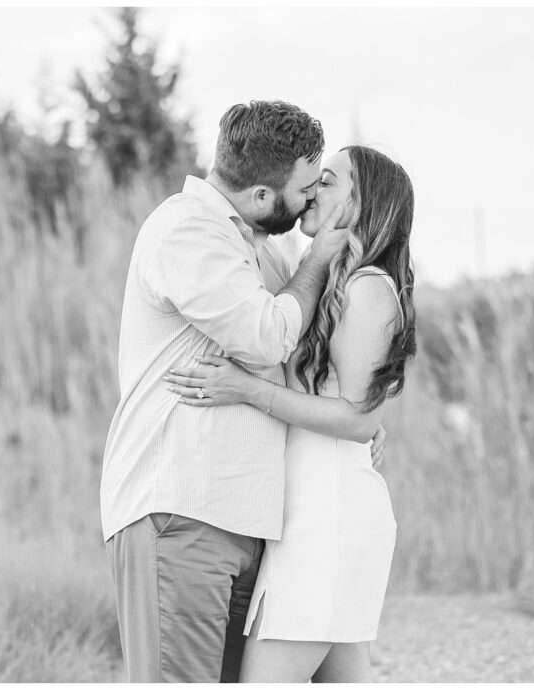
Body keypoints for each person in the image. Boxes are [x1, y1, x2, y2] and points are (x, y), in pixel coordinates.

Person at [99, 101, 387, 683]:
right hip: (181, 510)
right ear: (261, 194)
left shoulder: (256, 246)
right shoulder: (188, 230)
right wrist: (317, 258)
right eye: (306, 188)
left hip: (240, 520)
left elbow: (299, 361)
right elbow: (268, 337)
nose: (311, 201)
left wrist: (360, 418)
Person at [164, 145, 416, 682]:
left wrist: (247, 390)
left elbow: (359, 419)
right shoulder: (329, 283)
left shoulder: (368, 287)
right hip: (310, 515)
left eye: (327, 182)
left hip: (329, 519)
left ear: (360, 202)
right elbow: (348, 403)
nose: (311, 192)